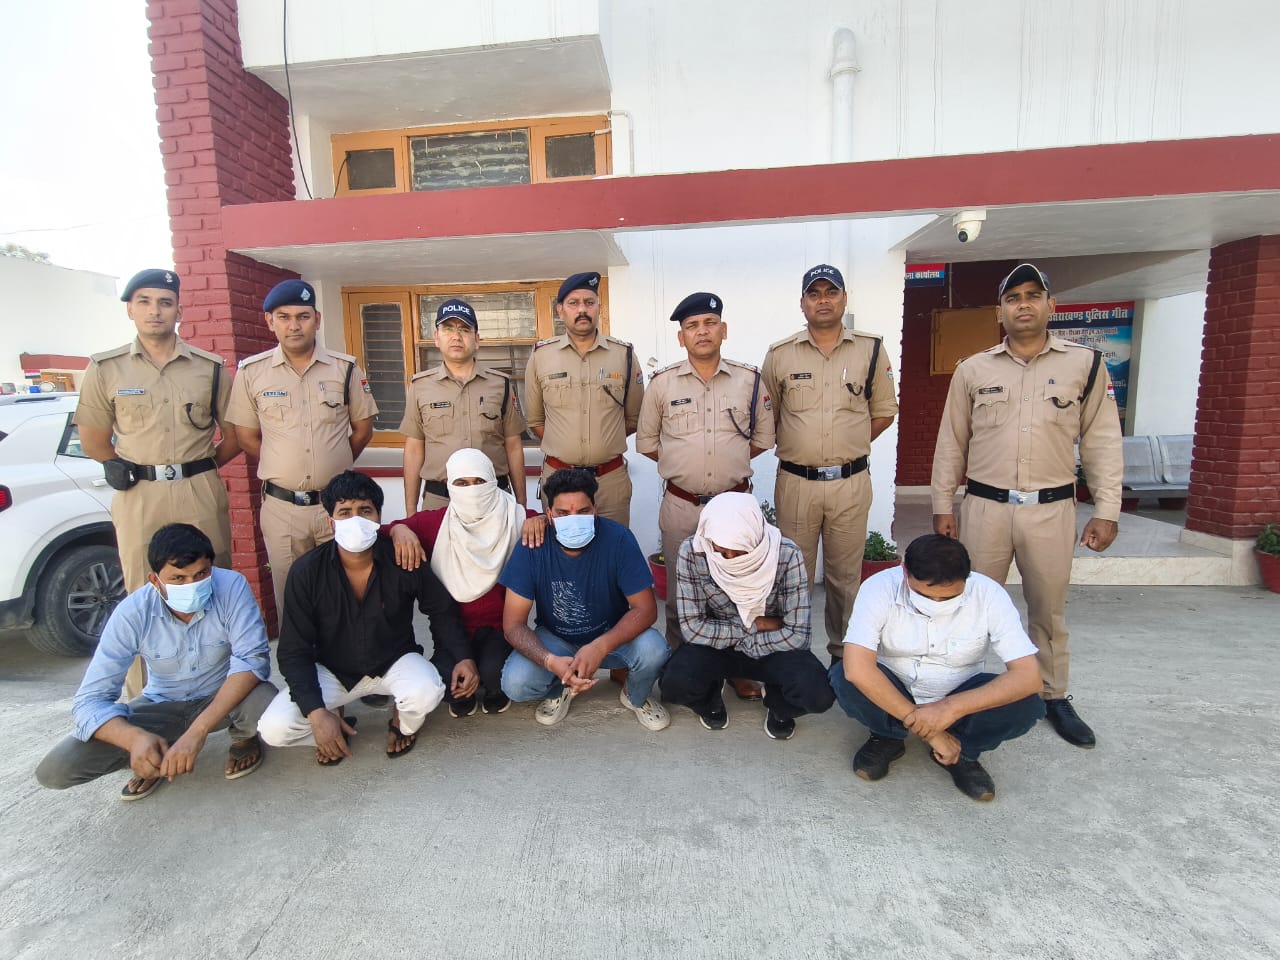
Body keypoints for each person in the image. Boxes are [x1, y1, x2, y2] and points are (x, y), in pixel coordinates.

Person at [931, 263, 1123, 748]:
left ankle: (1051, 694)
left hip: (1050, 508)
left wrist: (1107, 509)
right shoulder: (974, 370)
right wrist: (942, 503)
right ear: (999, 311)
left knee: (1047, 610)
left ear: (1050, 305)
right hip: (986, 508)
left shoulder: (1085, 365)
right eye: (1013, 297)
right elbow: (951, 442)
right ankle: (963, 692)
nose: (1023, 305)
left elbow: (1102, 441)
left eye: (1033, 295)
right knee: (970, 606)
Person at [74, 268, 241, 699]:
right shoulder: (106, 368)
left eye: (165, 303)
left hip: (197, 487)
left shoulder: (208, 368)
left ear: (179, 311)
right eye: (145, 302)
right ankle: (145, 703)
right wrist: (112, 462)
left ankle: (222, 700)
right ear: (130, 309)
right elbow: (93, 438)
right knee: (143, 595)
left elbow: (234, 435)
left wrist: (202, 467)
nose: (155, 311)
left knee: (213, 587)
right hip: (139, 490)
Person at [35, 524, 276, 801]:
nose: (191, 586)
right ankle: (152, 755)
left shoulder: (231, 586)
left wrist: (197, 732)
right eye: (178, 578)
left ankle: (243, 738)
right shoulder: (132, 613)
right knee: (57, 769)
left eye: (201, 574)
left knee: (269, 706)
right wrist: (134, 740)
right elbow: (90, 701)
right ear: (154, 580)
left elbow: (252, 660)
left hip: (223, 697)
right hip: (162, 703)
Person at [257, 471, 468, 764]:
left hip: (393, 661)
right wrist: (316, 715)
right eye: (345, 512)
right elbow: (293, 650)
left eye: (365, 511)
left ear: (378, 517)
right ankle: (331, 727)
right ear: (330, 522)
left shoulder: (402, 557)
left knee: (427, 690)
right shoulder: (307, 572)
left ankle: (402, 724)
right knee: (274, 729)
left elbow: (441, 611)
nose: (355, 519)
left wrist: (461, 656)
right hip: (332, 670)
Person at [828, 534, 1046, 801]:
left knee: (1028, 704)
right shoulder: (879, 587)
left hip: (959, 690)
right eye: (924, 595)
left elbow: (1029, 676)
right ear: (905, 572)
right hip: (895, 686)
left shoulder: (989, 594)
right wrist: (932, 733)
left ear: (967, 577)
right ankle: (888, 736)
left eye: (949, 597)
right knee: (843, 678)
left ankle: (963, 750)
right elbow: (857, 668)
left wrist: (950, 708)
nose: (937, 604)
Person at [636, 290, 775, 701]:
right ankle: (683, 666)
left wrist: (727, 465)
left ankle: (738, 668)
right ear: (681, 337)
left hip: (735, 504)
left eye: (710, 323)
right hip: (682, 505)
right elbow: (647, 443)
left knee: (740, 591)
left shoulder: (750, 380)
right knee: (682, 594)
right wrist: (686, 466)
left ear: (723, 330)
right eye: (692, 326)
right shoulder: (662, 384)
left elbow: (763, 438)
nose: (702, 331)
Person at [760, 264, 898, 663]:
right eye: (815, 293)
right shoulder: (780, 355)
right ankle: (794, 656)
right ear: (803, 303)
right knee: (793, 575)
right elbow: (768, 416)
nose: (823, 300)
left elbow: (884, 411)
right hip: (796, 484)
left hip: (849, 484)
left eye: (831, 292)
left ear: (844, 299)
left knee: (845, 579)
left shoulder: (871, 350)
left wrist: (847, 445)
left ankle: (843, 659)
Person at [225, 278, 378, 623]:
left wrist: (333, 464)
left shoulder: (345, 368)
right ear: (270, 321)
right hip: (283, 509)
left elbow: (362, 430)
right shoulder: (252, 372)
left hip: (337, 507)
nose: (294, 325)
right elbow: (246, 437)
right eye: (284, 317)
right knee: (291, 596)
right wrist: (284, 463)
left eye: (303, 316)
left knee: (344, 592)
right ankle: (301, 658)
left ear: (317, 320)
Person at [498, 468, 670, 730]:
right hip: (556, 639)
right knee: (516, 683)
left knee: (654, 649)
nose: (574, 520)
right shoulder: (532, 545)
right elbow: (513, 625)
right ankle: (561, 688)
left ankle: (635, 695)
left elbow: (646, 610)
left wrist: (599, 646)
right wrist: (550, 661)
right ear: (549, 515)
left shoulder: (618, 539)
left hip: (612, 637)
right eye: (563, 513)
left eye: (583, 511)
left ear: (595, 510)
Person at [661, 493, 833, 739]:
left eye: (740, 552)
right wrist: (756, 625)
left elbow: (798, 636)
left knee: (818, 695)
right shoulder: (695, 551)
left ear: (755, 539)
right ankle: (710, 699)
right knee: (674, 684)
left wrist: (745, 635)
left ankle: (779, 706)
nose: (730, 559)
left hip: (771, 648)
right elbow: (693, 629)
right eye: (722, 551)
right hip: (720, 647)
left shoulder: (786, 555)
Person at [387, 448, 538, 717]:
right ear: (449, 486)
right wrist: (399, 530)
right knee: (443, 683)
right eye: (462, 483)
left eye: (479, 481)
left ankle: (492, 688)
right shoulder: (435, 523)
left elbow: (552, 521)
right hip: (452, 627)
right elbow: (383, 531)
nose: (472, 490)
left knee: (496, 674)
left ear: (492, 481)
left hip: (500, 628)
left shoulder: (515, 517)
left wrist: (540, 521)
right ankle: (467, 685)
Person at [523, 272, 643, 525]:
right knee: (561, 546)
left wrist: (602, 443)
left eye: (589, 302)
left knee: (613, 545)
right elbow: (535, 421)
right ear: (560, 310)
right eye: (573, 303)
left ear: (599, 307)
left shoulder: (623, 355)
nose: (582, 310)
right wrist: (566, 446)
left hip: (609, 480)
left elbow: (633, 419)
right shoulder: (541, 356)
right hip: (559, 479)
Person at [400, 298, 527, 515]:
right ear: (436, 338)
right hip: (441, 500)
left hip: (493, 497)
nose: (456, 336)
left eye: (465, 329)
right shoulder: (420, 386)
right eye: (448, 328)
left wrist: (521, 505)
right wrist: (411, 511)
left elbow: (513, 446)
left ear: (477, 340)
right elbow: (413, 449)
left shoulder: (501, 384)